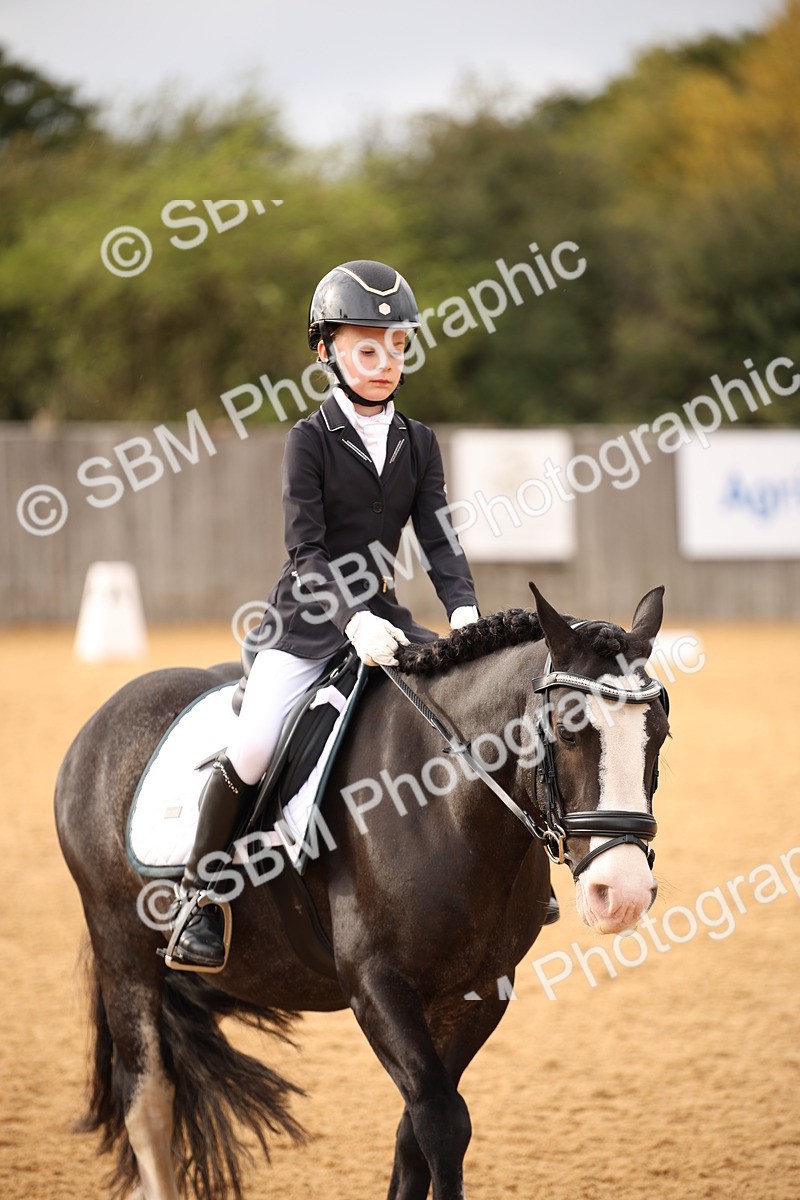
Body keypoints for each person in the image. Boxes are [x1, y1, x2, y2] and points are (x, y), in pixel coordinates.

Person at [166, 259, 481, 969]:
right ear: (326, 352)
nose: (384, 362)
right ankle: (197, 898)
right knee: (251, 749)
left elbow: (438, 538)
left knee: (465, 709)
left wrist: (464, 615)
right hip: (307, 624)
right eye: (366, 348)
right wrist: (351, 620)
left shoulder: (418, 441)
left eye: (397, 346)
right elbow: (304, 551)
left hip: (388, 621)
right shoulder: (309, 439)